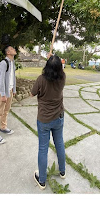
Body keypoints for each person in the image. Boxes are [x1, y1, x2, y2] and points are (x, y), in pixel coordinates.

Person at [30, 54, 66, 190]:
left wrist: (49, 62)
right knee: (60, 144)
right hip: (59, 117)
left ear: (47, 66)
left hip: (44, 119)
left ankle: (42, 180)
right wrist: (53, 60)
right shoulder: (63, 78)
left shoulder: (41, 79)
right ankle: (62, 171)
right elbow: (58, 70)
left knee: (43, 149)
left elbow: (32, 93)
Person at [0, 45, 17, 144]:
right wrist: (2, 94)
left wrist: (13, 89)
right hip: (3, 92)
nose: (14, 49)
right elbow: (1, 79)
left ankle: (3, 127)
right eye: (12, 49)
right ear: (8, 52)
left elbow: (13, 77)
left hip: (9, 90)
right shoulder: (3, 63)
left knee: (6, 111)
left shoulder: (12, 63)